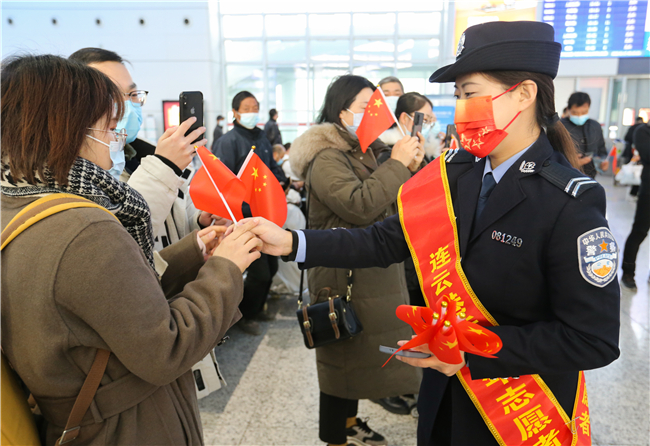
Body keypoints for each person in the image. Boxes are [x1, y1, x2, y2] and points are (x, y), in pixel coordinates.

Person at [243, 21, 620, 446]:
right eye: (457, 96)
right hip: (442, 400)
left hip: (518, 412)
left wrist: (469, 351)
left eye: (471, 93)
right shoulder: (455, 174)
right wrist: (293, 242)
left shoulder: (568, 200)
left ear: (524, 93)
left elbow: (592, 339)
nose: (460, 110)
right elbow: (387, 239)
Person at [1, 54, 262, 445]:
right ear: (69, 128)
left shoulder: (19, 196)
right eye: (108, 125)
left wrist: (194, 250)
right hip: (125, 425)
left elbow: (111, 299)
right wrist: (224, 269)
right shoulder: (83, 225)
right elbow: (165, 347)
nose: (117, 134)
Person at [287, 74, 424, 446]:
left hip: (369, 270)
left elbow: (388, 202)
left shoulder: (365, 151)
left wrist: (406, 164)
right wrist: (396, 164)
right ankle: (336, 434)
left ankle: (348, 422)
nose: (373, 114)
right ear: (341, 110)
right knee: (342, 357)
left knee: (357, 355)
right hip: (342, 274)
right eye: (366, 107)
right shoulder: (326, 156)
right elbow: (359, 205)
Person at [70, 48, 214, 256]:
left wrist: (199, 222)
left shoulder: (148, 154)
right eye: (112, 96)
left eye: (132, 94)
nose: (126, 105)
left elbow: (171, 224)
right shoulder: (80, 173)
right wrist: (164, 168)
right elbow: (115, 248)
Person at [215, 91, 287, 335]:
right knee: (258, 271)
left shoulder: (262, 137)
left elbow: (272, 168)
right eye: (246, 108)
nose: (251, 111)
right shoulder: (228, 141)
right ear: (235, 113)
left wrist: (284, 181)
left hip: (267, 213)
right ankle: (245, 316)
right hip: (243, 217)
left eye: (255, 107)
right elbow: (222, 181)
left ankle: (257, 307)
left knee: (272, 268)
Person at [621, 120, 650, 290]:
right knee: (639, 231)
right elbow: (647, 154)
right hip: (649, 191)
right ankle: (628, 272)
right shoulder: (642, 131)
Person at [381, 92, 442, 162]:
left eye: (429, 121)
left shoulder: (424, 150)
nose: (428, 126)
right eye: (424, 120)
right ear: (405, 118)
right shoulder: (387, 152)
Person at [560, 91, 609, 178]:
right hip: (565, 176)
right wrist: (571, 162)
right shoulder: (559, 127)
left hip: (589, 177)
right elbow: (550, 153)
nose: (579, 116)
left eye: (584, 112)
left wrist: (602, 164)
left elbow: (601, 151)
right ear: (568, 109)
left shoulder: (595, 126)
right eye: (575, 113)